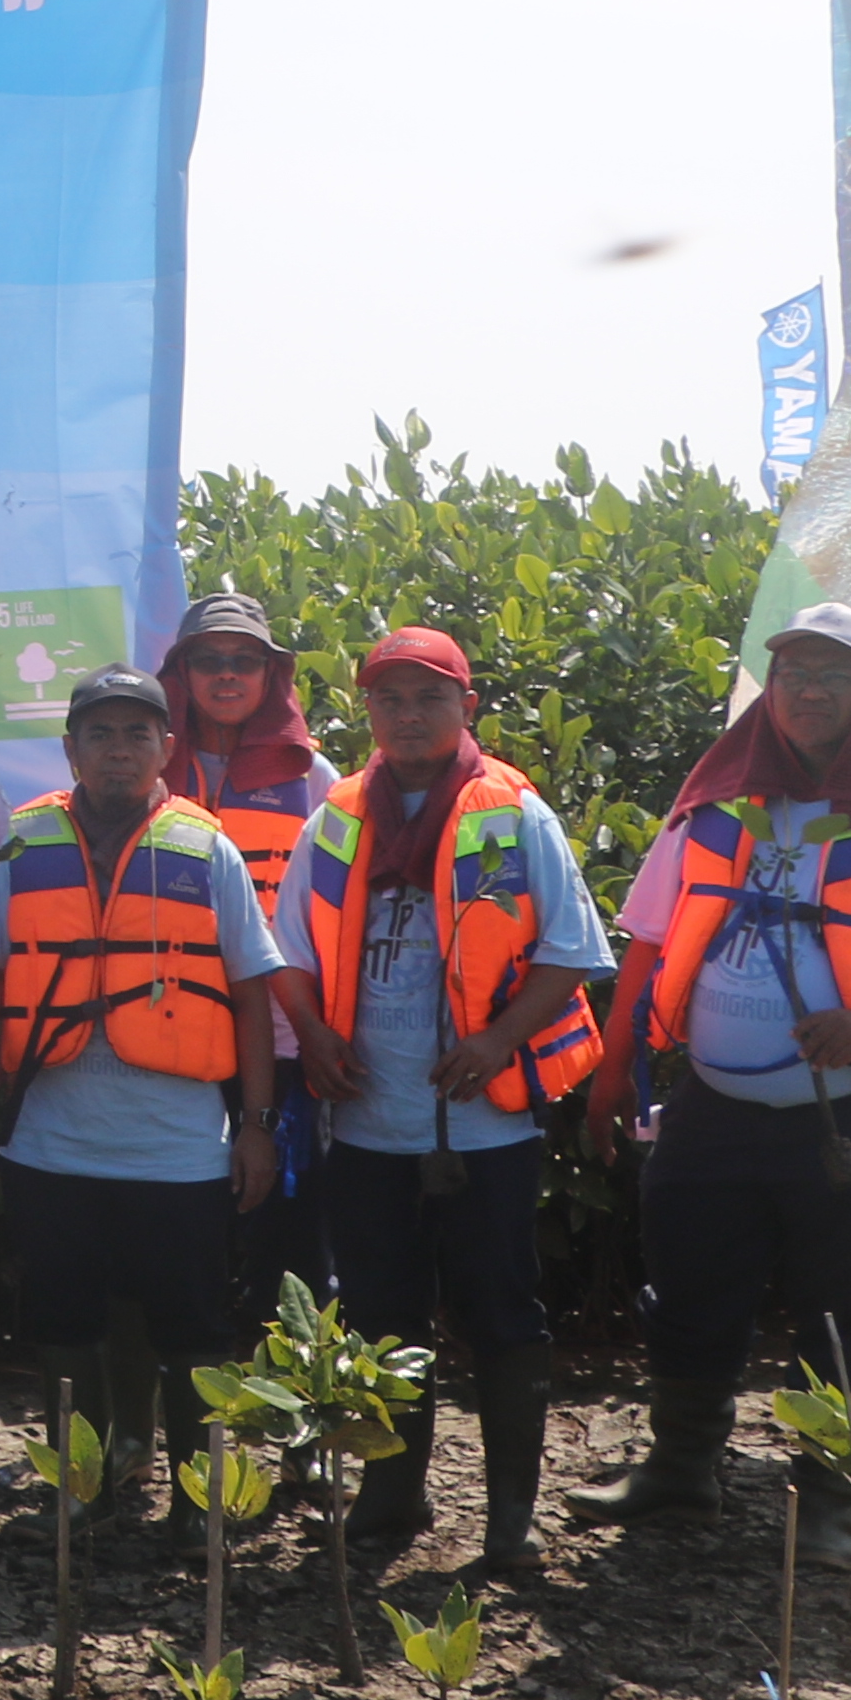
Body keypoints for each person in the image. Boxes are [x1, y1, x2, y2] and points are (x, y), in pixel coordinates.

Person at [572, 603, 851, 1558]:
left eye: (832, 674)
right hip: (710, 1105)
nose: (808, 691)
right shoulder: (717, 813)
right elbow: (650, 947)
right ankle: (681, 1470)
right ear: (769, 695)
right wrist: (612, 1076)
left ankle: (834, 1500)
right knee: (689, 1286)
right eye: (791, 675)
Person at [276, 627, 609, 1583]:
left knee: (501, 1311)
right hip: (367, 1123)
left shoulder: (513, 814)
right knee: (382, 1314)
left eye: (429, 698)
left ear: (466, 708)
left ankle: (512, 1520)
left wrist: (500, 1041)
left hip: (488, 1123)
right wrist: (318, 1037)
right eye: (389, 700)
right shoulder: (337, 817)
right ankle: (392, 1495)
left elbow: (572, 951)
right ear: (368, 714)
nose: (408, 716)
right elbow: (288, 954)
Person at [0, 666, 285, 1530]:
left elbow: (253, 993)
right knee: (63, 1321)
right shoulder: (27, 844)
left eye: (136, 734)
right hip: (52, 1143)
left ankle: (195, 1506)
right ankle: (85, 1489)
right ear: (69, 749)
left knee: (191, 1332)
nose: (117, 750)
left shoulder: (206, 847)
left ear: (164, 750)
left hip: (178, 1145)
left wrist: (256, 1126)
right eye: (99, 734)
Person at [160, 589, 340, 1376]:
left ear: (273, 674)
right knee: (187, 1235)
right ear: (182, 672)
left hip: (285, 1038)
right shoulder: (148, 765)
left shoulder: (315, 777)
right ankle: (199, 1419)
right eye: (210, 660)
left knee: (291, 1247)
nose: (227, 675)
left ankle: (298, 1413)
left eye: (245, 661)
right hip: (175, 1036)